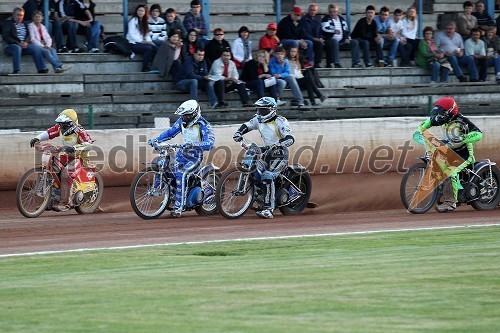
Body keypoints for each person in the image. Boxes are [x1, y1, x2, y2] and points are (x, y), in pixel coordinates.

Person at [413, 97, 482, 212]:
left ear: (449, 112)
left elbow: (478, 134)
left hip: (464, 155)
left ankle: (450, 203)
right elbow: (423, 125)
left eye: (441, 113)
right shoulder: (441, 119)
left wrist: (463, 139)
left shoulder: (461, 121)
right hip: (449, 152)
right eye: (438, 114)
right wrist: (419, 132)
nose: (439, 116)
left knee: (450, 171)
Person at [148, 100, 215, 218]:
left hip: (194, 159)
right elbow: (170, 132)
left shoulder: (204, 125)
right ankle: (162, 192)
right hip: (181, 155)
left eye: (186, 115)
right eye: (182, 115)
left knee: (182, 174)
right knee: (161, 164)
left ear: (194, 114)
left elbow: (210, 143)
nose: (183, 118)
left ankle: (179, 206)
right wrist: (156, 140)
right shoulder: (181, 121)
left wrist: (194, 145)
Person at [232, 97, 295, 219]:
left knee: (267, 176)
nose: (260, 112)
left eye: (263, 110)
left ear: (271, 110)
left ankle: (268, 209)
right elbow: (247, 125)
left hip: (280, 154)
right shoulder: (258, 119)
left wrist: (279, 144)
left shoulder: (280, 121)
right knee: (253, 170)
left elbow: (290, 138)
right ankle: (260, 196)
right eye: (258, 109)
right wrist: (238, 133)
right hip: (267, 153)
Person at [29, 109, 94, 212]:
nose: (61, 126)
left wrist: (75, 148)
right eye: (60, 124)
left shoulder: (79, 131)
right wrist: (37, 138)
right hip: (66, 155)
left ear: (71, 124)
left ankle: (65, 203)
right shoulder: (59, 128)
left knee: (65, 173)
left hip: (79, 158)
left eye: (64, 124)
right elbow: (49, 133)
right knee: (52, 169)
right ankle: (48, 201)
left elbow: (89, 143)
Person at [2, 7, 47, 74]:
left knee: (36, 48)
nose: (19, 17)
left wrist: (26, 42)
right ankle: (17, 70)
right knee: (17, 48)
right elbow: (6, 37)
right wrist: (18, 43)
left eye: (21, 15)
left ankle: (41, 68)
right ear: (13, 15)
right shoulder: (8, 23)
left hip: (23, 46)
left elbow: (29, 35)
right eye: (18, 15)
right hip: (10, 46)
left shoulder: (25, 24)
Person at [321, 3, 362, 68]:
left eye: (334, 12)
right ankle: (337, 63)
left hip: (342, 41)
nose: (333, 13)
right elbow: (325, 29)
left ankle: (355, 62)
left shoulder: (341, 19)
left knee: (354, 42)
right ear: (328, 12)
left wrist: (347, 38)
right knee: (334, 42)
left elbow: (346, 30)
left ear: (337, 12)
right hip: (330, 41)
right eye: (331, 12)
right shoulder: (326, 18)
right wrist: (334, 31)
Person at [126, 4, 159, 72]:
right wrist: (141, 41)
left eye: (142, 11)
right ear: (136, 11)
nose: (140, 12)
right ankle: (145, 67)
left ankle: (153, 66)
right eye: (139, 10)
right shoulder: (133, 20)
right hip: (133, 43)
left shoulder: (145, 22)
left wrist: (150, 42)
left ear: (145, 13)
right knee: (148, 49)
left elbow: (147, 35)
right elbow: (131, 34)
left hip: (142, 43)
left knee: (156, 48)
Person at [299, 3, 324, 68]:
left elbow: (321, 31)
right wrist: (313, 38)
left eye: (314, 10)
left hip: (317, 39)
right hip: (307, 39)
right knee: (318, 44)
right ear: (308, 10)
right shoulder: (304, 19)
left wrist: (321, 37)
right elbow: (303, 33)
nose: (313, 12)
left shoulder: (317, 20)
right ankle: (316, 63)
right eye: (311, 10)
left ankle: (330, 63)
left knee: (329, 43)